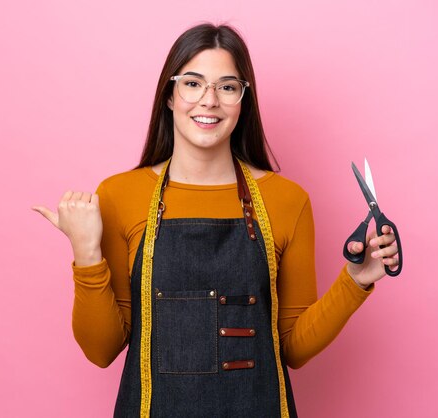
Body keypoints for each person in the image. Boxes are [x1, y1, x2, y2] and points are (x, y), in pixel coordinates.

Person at [33, 23, 399, 418]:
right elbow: (100, 350)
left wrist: (357, 280)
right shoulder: (120, 195)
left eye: (226, 87)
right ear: (170, 96)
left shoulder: (288, 201)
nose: (209, 101)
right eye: (193, 84)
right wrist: (86, 253)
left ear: (242, 100)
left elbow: (292, 349)